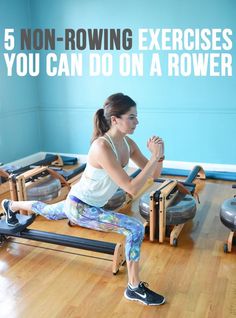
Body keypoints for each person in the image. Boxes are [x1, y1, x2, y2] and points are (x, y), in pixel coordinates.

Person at [1, 93, 165, 306]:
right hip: (80, 206)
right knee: (134, 228)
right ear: (114, 119)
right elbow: (131, 188)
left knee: (48, 211)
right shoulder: (102, 147)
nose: (137, 121)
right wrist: (153, 157)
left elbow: (154, 173)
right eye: (131, 117)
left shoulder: (128, 144)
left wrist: (159, 154)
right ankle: (134, 288)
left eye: (136, 116)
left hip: (81, 202)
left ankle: (9, 205)